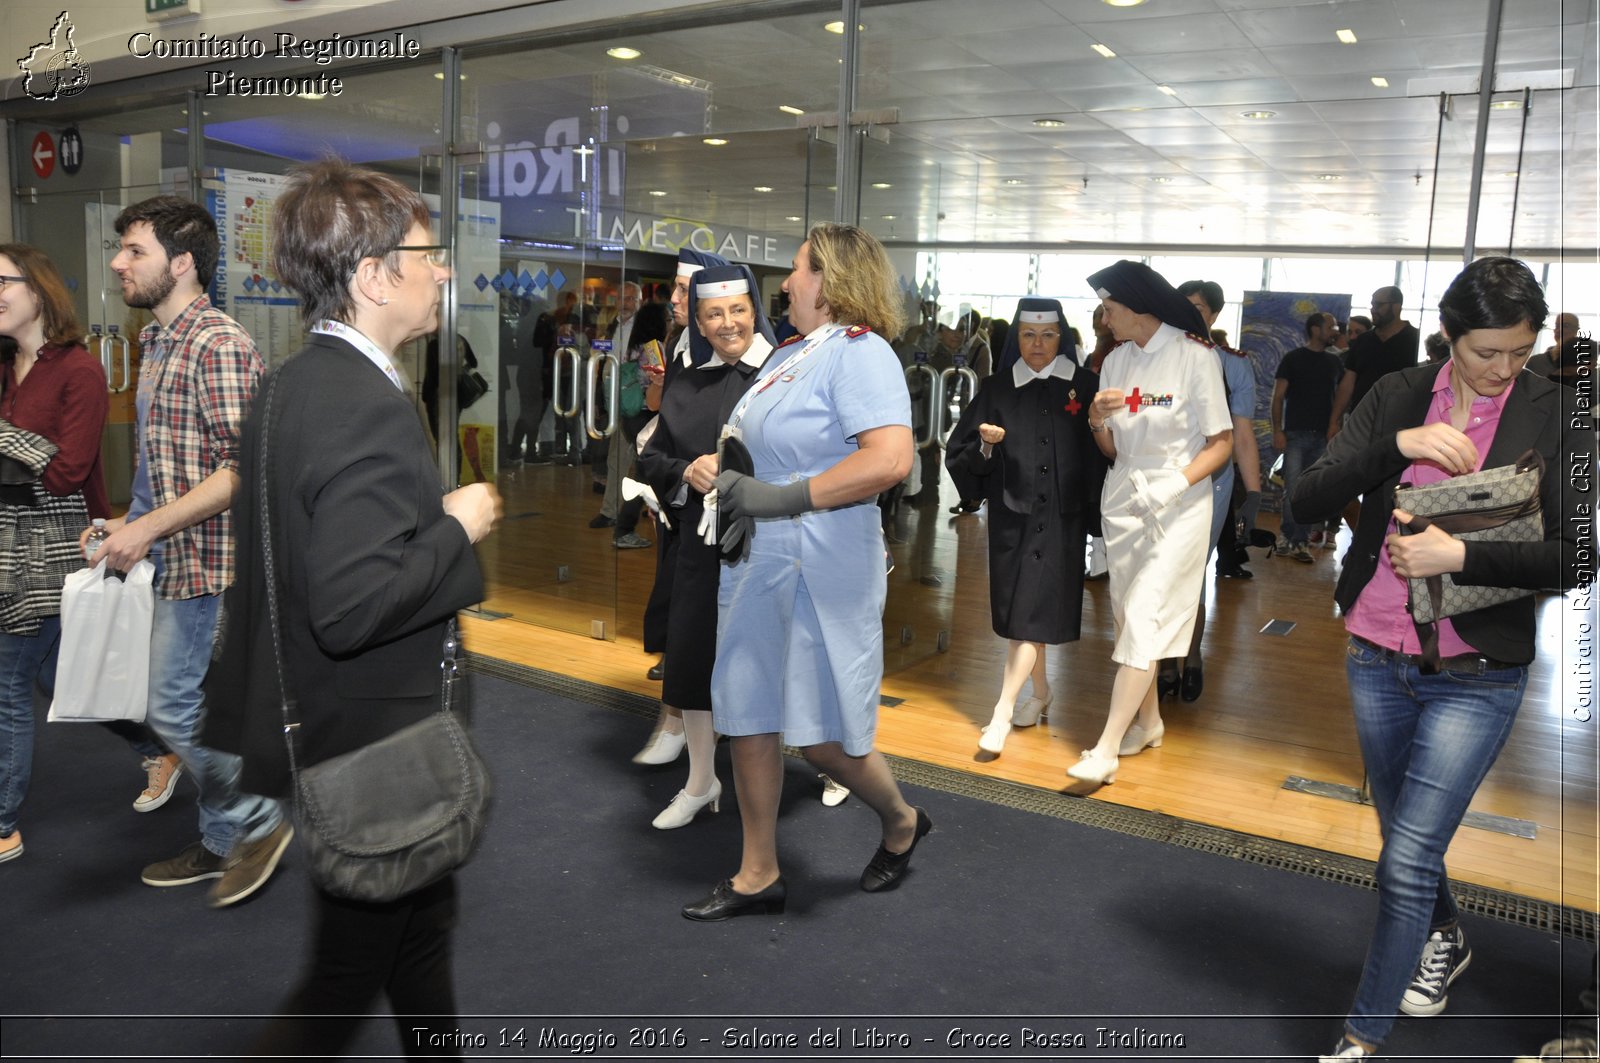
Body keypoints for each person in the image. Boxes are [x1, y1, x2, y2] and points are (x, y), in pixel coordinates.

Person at [206, 158, 500, 1056]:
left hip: (334, 725)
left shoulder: (293, 382)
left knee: (415, 936)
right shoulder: (362, 403)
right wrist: (458, 525)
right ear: (374, 277)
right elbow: (352, 605)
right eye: (426, 253)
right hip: (378, 745)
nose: (443, 271)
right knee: (342, 981)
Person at [1289, 257, 1591, 1062]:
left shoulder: (1561, 413)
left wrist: (1462, 553)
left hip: (1479, 669)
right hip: (1375, 653)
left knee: (1409, 855)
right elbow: (1304, 499)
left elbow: (1578, 555)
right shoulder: (1399, 394)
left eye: (1520, 352)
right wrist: (1395, 444)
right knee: (1403, 838)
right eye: (1486, 351)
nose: (1503, 369)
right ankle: (1446, 936)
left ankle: (1360, 1037)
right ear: (1449, 335)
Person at [684, 223, 929, 920]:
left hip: (822, 563)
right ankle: (757, 871)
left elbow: (889, 459)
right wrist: (723, 468)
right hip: (762, 558)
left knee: (822, 735)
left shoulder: (862, 352)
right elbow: (764, 444)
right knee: (750, 711)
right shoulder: (793, 354)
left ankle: (901, 818)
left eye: (796, 271)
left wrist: (782, 496)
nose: (784, 284)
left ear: (831, 280)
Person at [92, 196, 289, 907]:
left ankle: (260, 816)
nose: (118, 262)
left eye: (134, 250)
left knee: (171, 706)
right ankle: (219, 841)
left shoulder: (220, 344)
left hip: (216, 564)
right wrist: (125, 523)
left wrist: (150, 527)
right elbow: (163, 467)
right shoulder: (156, 342)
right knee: (201, 706)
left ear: (181, 264)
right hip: (176, 558)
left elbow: (246, 468)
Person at [1067, 261, 1232, 785]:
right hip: (1125, 497)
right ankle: (1151, 723)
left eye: (1110, 308)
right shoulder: (1116, 361)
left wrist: (1176, 483)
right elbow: (1112, 447)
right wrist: (1096, 421)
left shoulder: (1194, 357)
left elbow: (1221, 443)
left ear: (1138, 307)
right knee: (1128, 617)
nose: (1104, 317)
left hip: (1179, 500)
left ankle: (1106, 749)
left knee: (1144, 616)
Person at [636, 264, 777, 828]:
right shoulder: (684, 378)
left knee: (763, 666)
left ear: (754, 311)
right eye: (713, 314)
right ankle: (700, 780)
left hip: (766, 545)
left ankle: (771, 785)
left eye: (738, 310)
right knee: (693, 662)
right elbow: (651, 456)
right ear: (698, 319)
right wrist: (684, 470)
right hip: (697, 545)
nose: (727, 324)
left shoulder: (780, 372)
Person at [943, 297, 1104, 754]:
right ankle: (1041, 693)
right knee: (1025, 616)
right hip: (1013, 519)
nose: (1038, 344)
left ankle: (1001, 712)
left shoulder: (1086, 386)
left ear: (1064, 338)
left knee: (1032, 616)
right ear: (1017, 338)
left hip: (1062, 521)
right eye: (1029, 335)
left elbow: (1104, 454)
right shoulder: (996, 389)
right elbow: (962, 455)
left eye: (1048, 335)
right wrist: (988, 448)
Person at [0, 245, 111, 864]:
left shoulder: (79, 371)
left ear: (38, 291)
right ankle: (159, 746)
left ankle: (2, 823)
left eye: (1, 282)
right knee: (54, 675)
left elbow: (68, 471)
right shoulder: (2, 364)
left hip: (54, 541)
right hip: (5, 536)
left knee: (9, 680)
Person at [1159, 280, 1257, 701]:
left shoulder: (1233, 365)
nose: (1188, 314)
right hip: (1162, 477)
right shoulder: (1157, 357)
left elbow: (1243, 435)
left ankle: (1192, 654)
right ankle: (1163, 660)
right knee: (1162, 569)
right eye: (1182, 306)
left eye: (1198, 308)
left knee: (1191, 569)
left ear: (1214, 315)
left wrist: (1253, 496)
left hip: (1213, 482)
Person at [1271, 312, 1344, 561]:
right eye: (1331, 326)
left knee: (1310, 491)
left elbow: (1341, 400)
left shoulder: (1335, 363)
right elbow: (1278, 397)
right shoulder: (1293, 359)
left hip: (1323, 437)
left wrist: (1337, 430)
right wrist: (1277, 431)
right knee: (1292, 489)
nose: (1336, 329)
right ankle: (1290, 537)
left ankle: (1299, 541)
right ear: (1315, 330)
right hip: (1295, 435)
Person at [1328, 286, 1420, 434]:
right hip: (1360, 421)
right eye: (1372, 305)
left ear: (1396, 307)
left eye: (1378, 305)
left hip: (1399, 424)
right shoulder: (1363, 340)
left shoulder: (1415, 340)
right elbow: (1348, 382)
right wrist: (1334, 421)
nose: (1373, 310)